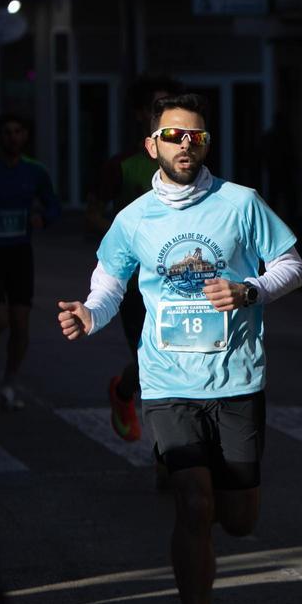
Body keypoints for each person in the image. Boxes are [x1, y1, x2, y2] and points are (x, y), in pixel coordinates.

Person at [57, 93, 302, 604]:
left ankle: (220, 516)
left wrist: (250, 290)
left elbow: (292, 264)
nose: (184, 145)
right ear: (152, 147)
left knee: (239, 517)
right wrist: (90, 314)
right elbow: (110, 280)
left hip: (237, 378)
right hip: (167, 380)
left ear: (207, 144)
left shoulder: (241, 204)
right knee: (192, 503)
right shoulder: (135, 217)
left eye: (194, 136)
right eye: (173, 136)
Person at [88, 75, 183, 467]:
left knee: (182, 363)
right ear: (142, 114)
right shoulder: (122, 167)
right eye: (159, 107)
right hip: (138, 286)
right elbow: (93, 212)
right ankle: (166, 455)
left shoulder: (189, 162)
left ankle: (132, 397)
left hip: (186, 284)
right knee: (156, 364)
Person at [0, 114, 62, 409]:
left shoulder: (35, 171)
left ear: (26, 136)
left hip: (19, 252)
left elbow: (54, 205)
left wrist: (44, 218)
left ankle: (9, 382)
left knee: (20, 324)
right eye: (7, 132)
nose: (12, 137)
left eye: (18, 131)